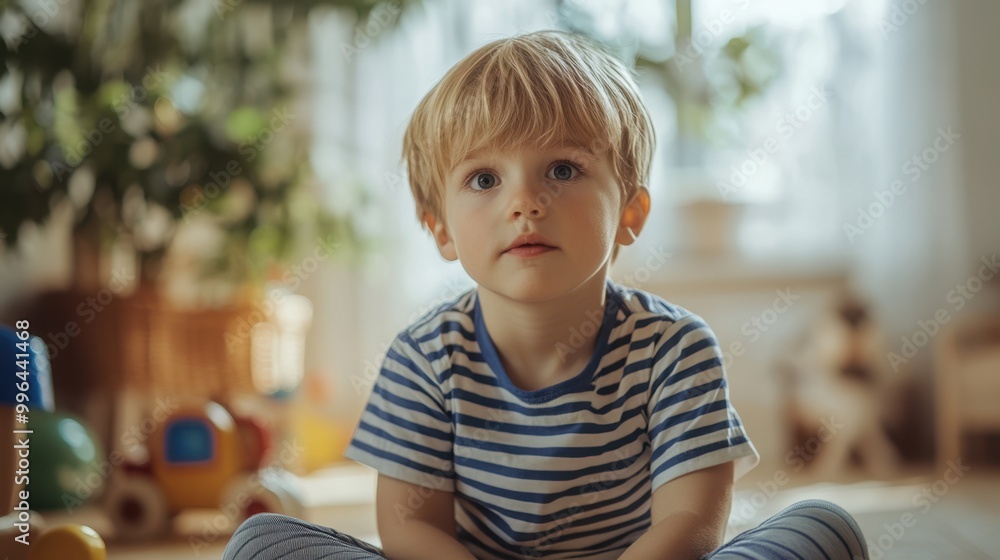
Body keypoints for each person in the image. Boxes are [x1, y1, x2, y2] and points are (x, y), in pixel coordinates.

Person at [223, 30, 869, 560]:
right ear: (440, 229)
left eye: (563, 170)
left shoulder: (676, 350)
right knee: (260, 542)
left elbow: (692, 525)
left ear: (630, 214)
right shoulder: (422, 359)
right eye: (484, 178)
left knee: (824, 529)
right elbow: (409, 531)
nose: (525, 202)